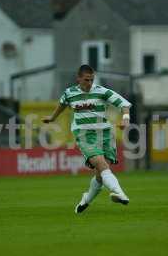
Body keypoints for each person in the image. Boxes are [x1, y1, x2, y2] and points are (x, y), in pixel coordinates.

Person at [42, 65, 131, 214]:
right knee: (101, 164)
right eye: (86, 80)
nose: (89, 83)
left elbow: (123, 104)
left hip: (105, 134)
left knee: (100, 174)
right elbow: (62, 105)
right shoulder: (69, 93)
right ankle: (120, 193)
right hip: (84, 135)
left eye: (91, 79)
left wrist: (126, 118)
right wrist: (52, 118)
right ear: (79, 78)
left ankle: (86, 199)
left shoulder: (101, 91)